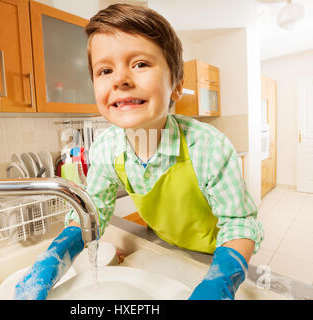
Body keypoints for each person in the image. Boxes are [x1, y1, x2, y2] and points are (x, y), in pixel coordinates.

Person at [15, 3, 264, 300]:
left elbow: (239, 223)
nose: (120, 79)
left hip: (220, 258)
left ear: (176, 86)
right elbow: (92, 209)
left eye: (141, 64)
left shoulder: (208, 146)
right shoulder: (108, 148)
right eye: (105, 70)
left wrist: (220, 282)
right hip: (165, 250)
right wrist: (56, 255)